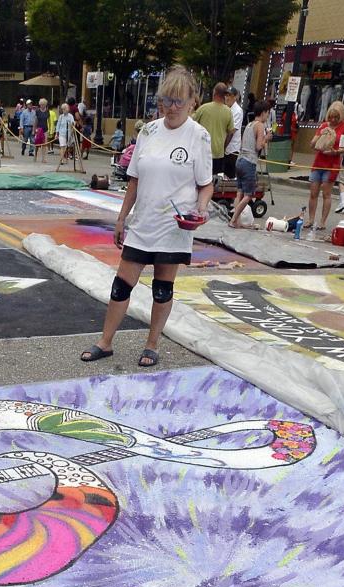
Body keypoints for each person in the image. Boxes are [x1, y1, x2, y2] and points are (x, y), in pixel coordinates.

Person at [81, 65, 213, 370]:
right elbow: (135, 180)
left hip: (173, 226)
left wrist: (202, 210)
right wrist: (121, 218)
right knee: (121, 285)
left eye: (179, 101)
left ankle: (152, 344)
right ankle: (105, 342)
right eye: (166, 100)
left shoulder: (199, 137)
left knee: (162, 289)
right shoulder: (150, 131)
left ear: (193, 101)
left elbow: (206, 184)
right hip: (143, 222)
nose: (171, 108)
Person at [305, 101, 344, 240]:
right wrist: (319, 138)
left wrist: (335, 151)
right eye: (331, 117)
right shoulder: (324, 125)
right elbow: (313, 144)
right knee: (313, 192)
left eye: (336, 117)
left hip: (332, 164)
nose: (333, 120)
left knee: (326, 193)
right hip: (319, 162)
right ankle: (311, 219)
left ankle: (323, 221)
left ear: (341, 116)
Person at [231, 99, 270, 227]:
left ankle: (237, 220)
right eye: (268, 113)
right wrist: (266, 139)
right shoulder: (260, 126)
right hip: (249, 162)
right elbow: (259, 146)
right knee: (248, 195)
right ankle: (234, 220)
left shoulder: (249, 125)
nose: (268, 116)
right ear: (263, 112)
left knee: (239, 192)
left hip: (240, 159)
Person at [192, 82, 234, 177]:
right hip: (218, 153)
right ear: (224, 95)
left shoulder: (203, 108)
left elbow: (191, 122)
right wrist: (223, 147)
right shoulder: (228, 111)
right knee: (214, 181)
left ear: (214, 93)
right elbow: (231, 133)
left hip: (202, 152)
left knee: (199, 179)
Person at [224, 85, 243, 177]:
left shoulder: (237, 111)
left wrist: (223, 146)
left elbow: (231, 131)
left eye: (230, 95)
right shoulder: (225, 108)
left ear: (235, 97)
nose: (227, 98)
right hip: (223, 147)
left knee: (229, 175)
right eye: (226, 95)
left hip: (232, 148)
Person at [55, 103, 75, 170]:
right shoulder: (61, 116)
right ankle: (62, 159)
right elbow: (58, 125)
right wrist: (57, 133)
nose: (64, 110)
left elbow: (73, 124)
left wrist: (72, 127)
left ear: (67, 109)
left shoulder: (70, 116)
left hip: (69, 134)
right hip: (62, 133)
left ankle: (66, 158)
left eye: (65, 109)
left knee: (67, 147)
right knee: (62, 146)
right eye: (63, 109)